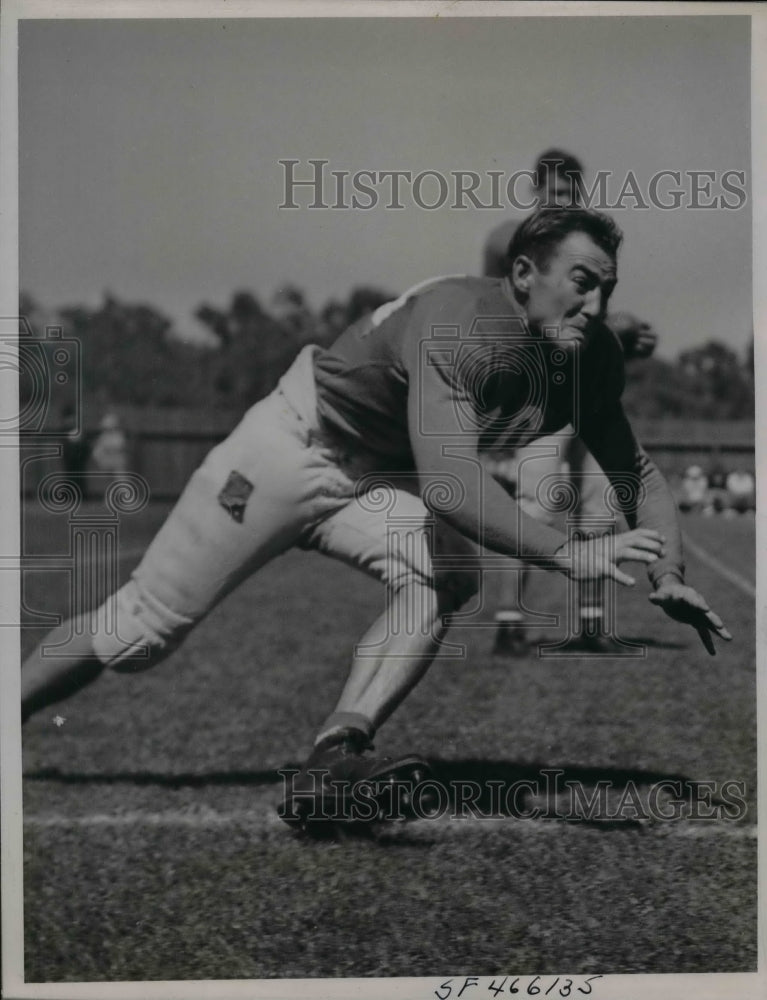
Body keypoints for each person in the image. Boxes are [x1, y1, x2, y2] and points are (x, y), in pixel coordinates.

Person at [21, 208, 731, 833]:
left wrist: (665, 572)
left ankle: (335, 758)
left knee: (445, 576)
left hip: (374, 478)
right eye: (581, 280)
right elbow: (453, 486)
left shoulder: (590, 357)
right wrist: (568, 554)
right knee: (141, 633)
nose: (597, 302)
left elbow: (633, 472)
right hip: (292, 448)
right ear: (523, 273)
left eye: (607, 287)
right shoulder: (460, 326)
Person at [483, 151, 659, 654]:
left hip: (590, 396)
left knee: (599, 512)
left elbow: (591, 319)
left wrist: (621, 332)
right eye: (554, 193)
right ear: (536, 193)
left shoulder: (591, 247)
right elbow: (499, 320)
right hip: (540, 396)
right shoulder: (509, 244)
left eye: (570, 194)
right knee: (532, 510)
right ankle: (509, 623)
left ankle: (591, 622)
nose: (562, 202)